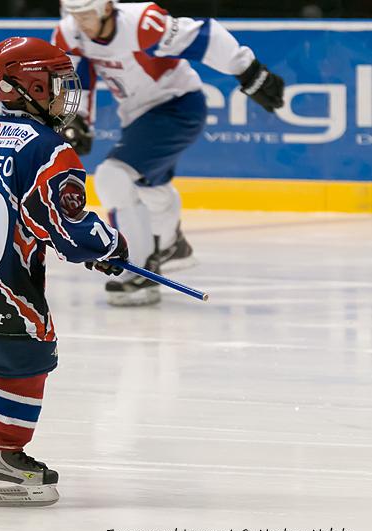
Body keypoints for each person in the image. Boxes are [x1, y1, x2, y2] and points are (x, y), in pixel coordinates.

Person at [0, 36, 128, 507]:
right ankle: (3, 455)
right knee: (28, 366)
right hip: (9, 284)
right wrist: (109, 245)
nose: (67, 94)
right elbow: (67, 226)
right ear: (33, 86)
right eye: (58, 84)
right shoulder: (48, 149)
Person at [52, 0, 285, 305]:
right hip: (137, 117)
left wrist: (248, 69)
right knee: (151, 185)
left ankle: (139, 270)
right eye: (74, 15)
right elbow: (77, 75)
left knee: (113, 176)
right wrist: (77, 118)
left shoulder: (142, 23)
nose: (79, 22)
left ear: (106, 8)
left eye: (86, 15)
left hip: (178, 107)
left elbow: (205, 36)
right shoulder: (69, 33)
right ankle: (172, 244)